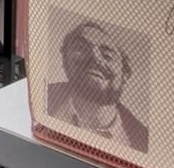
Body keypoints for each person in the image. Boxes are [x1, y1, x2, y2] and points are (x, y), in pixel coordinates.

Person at [45, 20, 148, 151]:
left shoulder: (143, 140)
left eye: (108, 55)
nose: (95, 58)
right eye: (81, 48)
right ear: (65, 60)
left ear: (125, 74)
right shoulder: (39, 100)